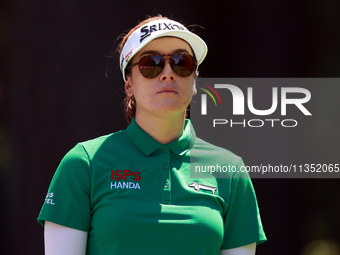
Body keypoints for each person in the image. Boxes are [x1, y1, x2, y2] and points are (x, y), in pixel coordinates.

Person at [38, 15, 266, 255]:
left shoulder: (229, 168)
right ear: (128, 83)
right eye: (151, 64)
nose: (168, 73)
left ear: (195, 81)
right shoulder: (84, 163)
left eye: (182, 62)